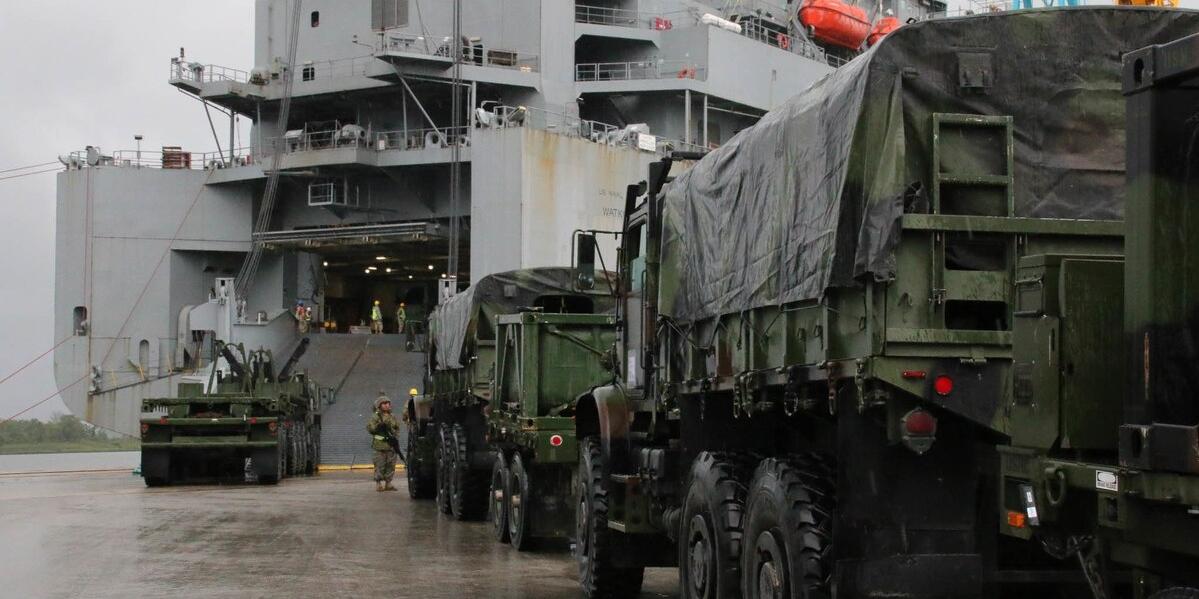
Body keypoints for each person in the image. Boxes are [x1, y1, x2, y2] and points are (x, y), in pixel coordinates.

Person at [366, 392, 400, 491]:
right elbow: (370, 428)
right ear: (379, 405)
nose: (386, 405)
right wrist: (378, 426)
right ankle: (378, 483)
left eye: (388, 403)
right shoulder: (375, 417)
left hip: (390, 445)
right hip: (379, 446)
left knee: (391, 465)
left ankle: (388, 483)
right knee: (379, 465)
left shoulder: (392, 416)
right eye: (384, 403)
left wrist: (395, 438)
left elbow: (397, 428)